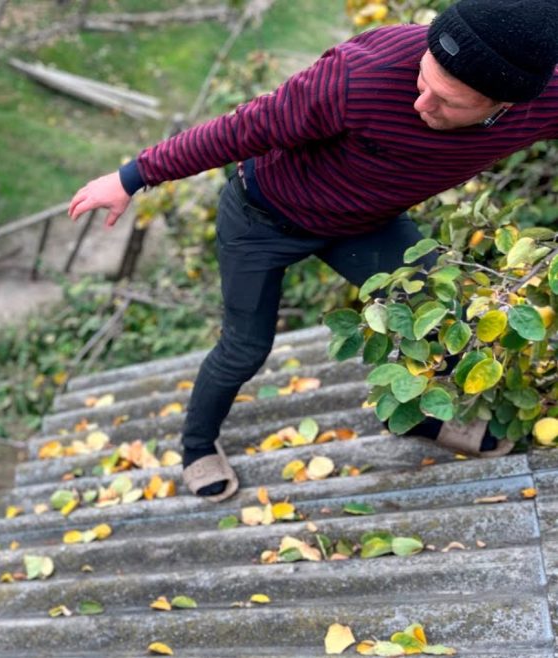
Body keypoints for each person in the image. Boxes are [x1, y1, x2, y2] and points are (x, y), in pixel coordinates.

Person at [67, 0, 558, 502]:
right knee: (244, 349)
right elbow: (240, 129)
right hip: (262, 220)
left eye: (447, 101)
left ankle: (416, 415)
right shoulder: (360, 76)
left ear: (507, 105)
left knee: (448, 311)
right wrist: (130, 177)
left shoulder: (546, 99)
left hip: (364, 226)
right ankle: (196, 446)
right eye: (422, 82)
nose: (421, 104)